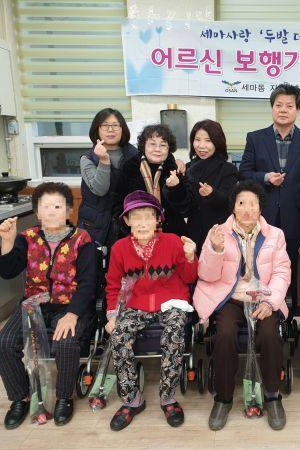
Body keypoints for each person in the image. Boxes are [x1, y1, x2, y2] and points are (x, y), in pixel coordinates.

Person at [0, 182, 96, 428]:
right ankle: (21, 398)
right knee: (2, 345)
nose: (51, 212)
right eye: (45, 206)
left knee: (66, 343)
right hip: (33, 305)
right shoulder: (26, 238)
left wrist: (72, 314)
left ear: (69, 210)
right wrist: (7, 242)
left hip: (70, 305)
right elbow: (7, 271)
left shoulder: (82, 239)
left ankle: (63, 398)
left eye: (58, 206)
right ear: (37, 212)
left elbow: (89, 282)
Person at [193, 180, 291, 431]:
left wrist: (270, 302)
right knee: (225, 334)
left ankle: (272, 396)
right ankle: (223, 398)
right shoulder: (218, 233)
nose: (247, 210)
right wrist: (215, 249)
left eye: (253, 204)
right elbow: (206, 275)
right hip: (230, 297)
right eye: (241, 203)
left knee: (270, 335)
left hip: (263, 297)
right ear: (233, 208)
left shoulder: (275, 235)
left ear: (260, 208)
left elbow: (282, 272)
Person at [105, 190, 198, 430]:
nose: (143, 222)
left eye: (148, 216)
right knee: (118, 335)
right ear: (127, 221)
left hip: (171, 300)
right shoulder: (119, 248)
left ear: (158, 220)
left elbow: (189, 277)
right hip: (136, 302)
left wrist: (190, 257)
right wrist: (112, 315)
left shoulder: (173, 241)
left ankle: (168, 397)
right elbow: (113, 285)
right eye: (136, 217)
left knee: (175, 333)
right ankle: (132, 399)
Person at [239, 83, 300, 316]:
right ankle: (259, 309)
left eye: (289, 106)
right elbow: (244, 173)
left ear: (297, 110)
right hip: (262, 215)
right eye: (279, 105)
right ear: (272, 108)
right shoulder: (255, 138)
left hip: (293, 215)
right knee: (259, 262)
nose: (283, 110)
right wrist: (265, 178)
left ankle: (289, 312)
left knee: (290, 263)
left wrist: (296, 197)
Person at [165, 119, 238, 251]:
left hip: (219, 235)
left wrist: (212, 194)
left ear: (218, 142)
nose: (201, 146)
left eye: (208, 140)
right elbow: (183, 207)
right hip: (193, 235)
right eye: (197, 140)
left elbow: (230, 202)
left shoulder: (228, 169)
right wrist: (175, 186)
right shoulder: (187, 168)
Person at [78, 108, 137, 246]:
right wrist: (104, 161)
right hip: (95, 226)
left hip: (127, 222)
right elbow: (100, 189)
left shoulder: (135, 155)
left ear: (122, 129)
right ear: (97, 129)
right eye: (105, 125)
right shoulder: (88, 158)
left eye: (115, 125)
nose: (111, 130)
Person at [116, 123, 187, 237]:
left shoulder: (174, 169)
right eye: (152, 144)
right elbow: (118, 204)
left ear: (169, 148)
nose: (157, 149)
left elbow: (185, 208)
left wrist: (175, 188)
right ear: (144, 146)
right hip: (137, 234)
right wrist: (128, 230)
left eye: (163, 145)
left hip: (171, 235)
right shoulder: (130, 167)